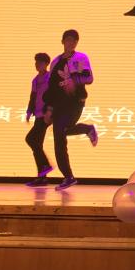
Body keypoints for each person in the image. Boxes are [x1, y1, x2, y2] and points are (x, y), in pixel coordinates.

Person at [43, 30, 98, 190]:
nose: (71, 43)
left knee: (61, 132)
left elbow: (89, 78)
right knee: (59, 136)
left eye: (74, 40)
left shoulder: (81, 57)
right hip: (59, 104)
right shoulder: (56, 61)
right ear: (63, 41)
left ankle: (68, 176)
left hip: (75, 102)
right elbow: (51, 87)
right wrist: (49, 109)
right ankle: (68, 176)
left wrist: (74, 81)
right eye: (68, 39)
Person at [24, 52, 54, 186]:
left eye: (40, 62)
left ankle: (45, 166)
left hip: (46, 115)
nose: (37, 64)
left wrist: (50, 111)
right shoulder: (35, 80)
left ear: (46, 64)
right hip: (38, 115)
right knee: (37, 145)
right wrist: (29, 111)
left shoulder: (50, 78)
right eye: (36, 62)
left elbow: (53, 95)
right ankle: (42, 177)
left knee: (30, 139)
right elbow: (33, 96)